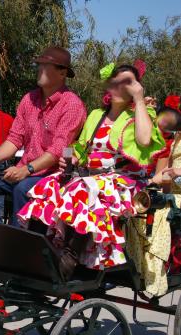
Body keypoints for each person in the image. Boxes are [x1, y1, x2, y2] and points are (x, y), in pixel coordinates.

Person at [18, 61, 165, 279]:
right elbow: (79, 148)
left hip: (125, 181)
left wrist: (140, 100)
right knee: (49, 185)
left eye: (128, 84)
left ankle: (70, 257)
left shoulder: (141, 115)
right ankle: (43, 250)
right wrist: (70, 159)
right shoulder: (96, 115)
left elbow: (144, 140)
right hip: (92, 178)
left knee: (83, 190)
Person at [0, 46, 87, 225]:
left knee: (22, 188)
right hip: (25, 172)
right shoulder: (29, 99)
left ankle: (18, 243)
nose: (39, 69)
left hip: (52, 176)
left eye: (46, 65)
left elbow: (58, 150)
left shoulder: (72, 104)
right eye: (39, 64)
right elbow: (14, 139)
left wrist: (26, 170)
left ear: (63, 73)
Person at [128, 95, 181, 296]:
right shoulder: (175, 137)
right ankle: (136, 264)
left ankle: (153, 271)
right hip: (172, 192)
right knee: (138, 204)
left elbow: (171, 174)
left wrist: (177, 175)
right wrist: (149, 184)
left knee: (159, 209)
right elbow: (164, 171)